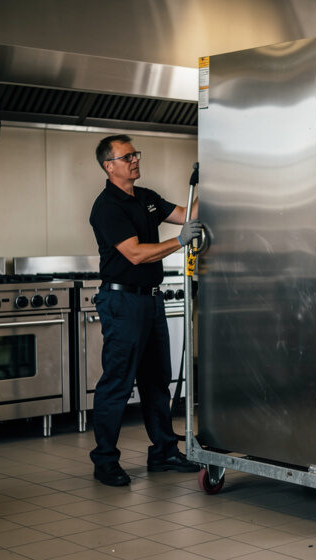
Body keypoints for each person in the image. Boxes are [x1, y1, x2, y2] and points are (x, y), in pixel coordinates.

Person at [88, 134, 203, 486]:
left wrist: (211, 180)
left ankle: (164, 451)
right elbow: (136, 253)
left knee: (156, 380)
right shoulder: (107, 206)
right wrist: (179, 241)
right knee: (118, 383)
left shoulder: (147, 198)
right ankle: (105, 460)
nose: (135, 160)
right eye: (127, 157)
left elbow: (187, 213)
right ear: (109, 166)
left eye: (135, 154)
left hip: (150, 299)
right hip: (122, 302)